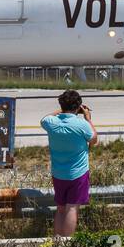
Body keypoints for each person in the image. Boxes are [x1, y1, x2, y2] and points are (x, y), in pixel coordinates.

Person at [40, 89, 98, 236]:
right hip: (78, 173)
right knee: (72, 208)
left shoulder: (51, 123)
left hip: (58, 173)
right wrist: (88, 118)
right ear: (78, 106)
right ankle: (66, 244)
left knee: (60, 208)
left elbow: (44, 118)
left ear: (61, 104)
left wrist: (62, 110)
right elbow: (94, 140)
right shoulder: (81, 124)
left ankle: (57, 241)